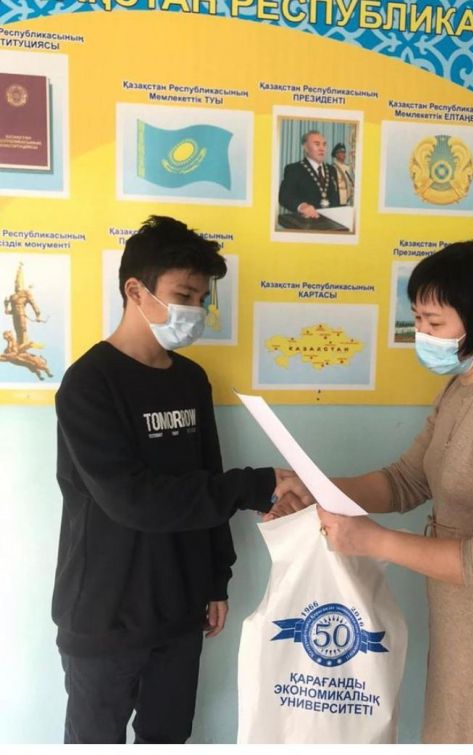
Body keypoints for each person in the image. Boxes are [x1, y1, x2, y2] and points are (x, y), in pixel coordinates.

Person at [272, 239, 473, 744]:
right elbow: (408, 479)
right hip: (461, 637)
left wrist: (372, 541)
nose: (420, 334)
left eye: (434, 323)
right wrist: (317, 489)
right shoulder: (464, 386)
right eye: (417, 318)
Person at [51, 216, 301, 744]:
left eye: (202, 299)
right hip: (105, 613)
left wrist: (215, 580)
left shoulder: (190, 379)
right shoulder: (89, 384)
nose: (195, 310)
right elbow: (134, 500)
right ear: (135, 291)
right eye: (184, 295)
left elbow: (205, 478)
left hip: (180, 609)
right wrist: (254, 486)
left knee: (167, 738)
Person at [278, 130, 340, 218]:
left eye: (324, 144)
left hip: (331, 221)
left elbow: (336, 199)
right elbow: (284, 197)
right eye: (317, 144)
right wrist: (301, 206)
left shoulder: (332, 170)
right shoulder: (294, 169)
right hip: (305, 222)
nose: (322, 148)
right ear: (306, 148)